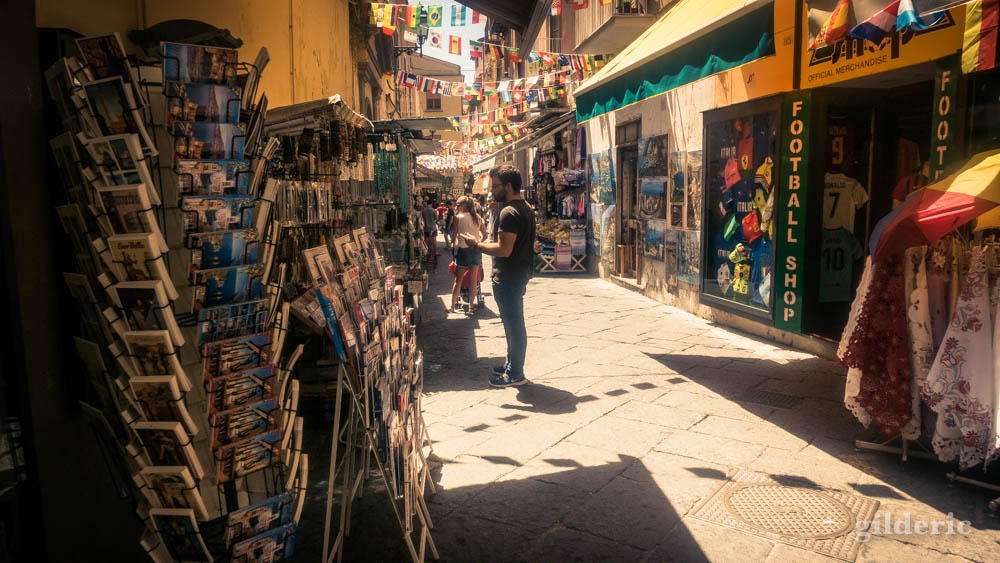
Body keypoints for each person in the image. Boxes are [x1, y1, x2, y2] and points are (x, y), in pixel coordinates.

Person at [459, 166, 535, 388]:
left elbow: (504, 249)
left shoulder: (508, 213)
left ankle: (516, 373)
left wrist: (476, 245)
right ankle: (512, 364)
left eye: (496, 187)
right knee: (512, 323)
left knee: (514, 325)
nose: (492, 192)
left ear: (508, 187)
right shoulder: (525, 208)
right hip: (519, 272)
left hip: (510, 275)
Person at [449, 196, 487, 314]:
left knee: (458, 280)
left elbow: (454, 236)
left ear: (464, 206)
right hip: (476, 250)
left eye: (458, 205)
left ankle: (452, 307)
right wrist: (478, 243)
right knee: (473, 281)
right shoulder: (478, 218)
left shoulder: (458, 217)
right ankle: (471, 307)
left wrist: (453, 245)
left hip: (463, 250)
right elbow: (485, 235)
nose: (456, 207)